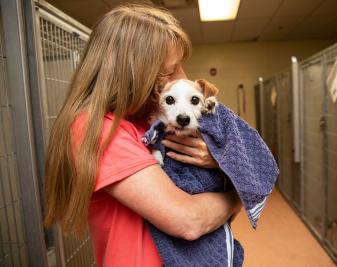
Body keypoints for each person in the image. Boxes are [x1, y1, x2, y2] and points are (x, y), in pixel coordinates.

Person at [44, 4, 241, 267]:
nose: (181, 77)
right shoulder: (96, 128)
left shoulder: (149, 122)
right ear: (131, 75)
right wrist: (239, 196)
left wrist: (218, 162)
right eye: (170, 71)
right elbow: (189, 220)